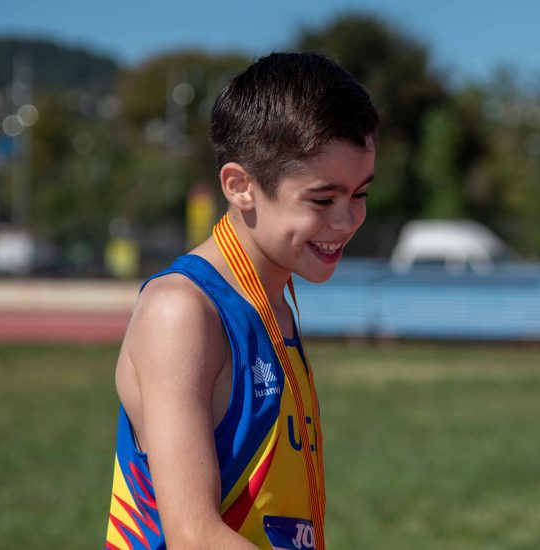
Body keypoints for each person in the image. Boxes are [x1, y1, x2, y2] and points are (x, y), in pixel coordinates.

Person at [103, 52, 378, 550]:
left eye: (360, 194)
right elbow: (193, 536)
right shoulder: (183, 310)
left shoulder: (276, 304)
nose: (347, 220)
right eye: (322, 200)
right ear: (240, 186)